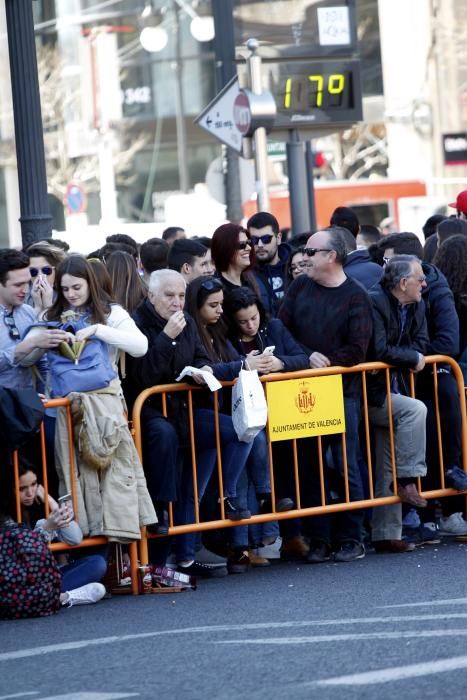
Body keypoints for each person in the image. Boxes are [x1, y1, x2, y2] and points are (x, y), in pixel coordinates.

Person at [124, 270, 254, 577]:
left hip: (184, 408)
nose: (176, 302)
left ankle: (226, 497)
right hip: (150, 412)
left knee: (238, 429)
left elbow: (198, 357)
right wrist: (166, 337)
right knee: (166, 442)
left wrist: (200, 371)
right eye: (169, 296)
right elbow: (142, 376)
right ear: (151, 296)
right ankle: (161, 531)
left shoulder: (189, 322)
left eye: (181, 296)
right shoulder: (137, 322)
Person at [26, 255, 157, 542]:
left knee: (114, 478)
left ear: (91, 283)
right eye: (65, 288)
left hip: (107, 408)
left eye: (77, 287)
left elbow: (140, 347)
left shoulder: (111, 312)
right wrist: (42, 338)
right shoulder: (50, 315)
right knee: (73, 478)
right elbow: (27, 356)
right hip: (63, 409)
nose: (71, 294)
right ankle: (84, 545)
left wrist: (98, 330)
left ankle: (118, 555)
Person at [279, 226, 373, 563]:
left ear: (331, 256)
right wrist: (306, 357)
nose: (303, 257)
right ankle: (318, 537)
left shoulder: (356, 295)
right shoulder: (301, 286)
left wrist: (328, 363)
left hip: (341, 390)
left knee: (344, 463)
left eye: (310, 252)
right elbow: (281, 328)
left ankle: (352, 537)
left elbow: (358, 349)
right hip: (302, 388)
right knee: (309, 465)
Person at [185, 276, 292, 572]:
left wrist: (266, 362)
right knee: (198, 486)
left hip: (222, 412)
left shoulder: (217, 330)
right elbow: (206, 368)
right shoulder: (192, 329)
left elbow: (299, 356)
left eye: (221, 304)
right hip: (195, 414)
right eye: (213, 305)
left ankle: (242, 536)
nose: (219, 310)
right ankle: (243, 505)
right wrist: (244, 364)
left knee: (247, 437)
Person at [367, 255, 429, 553]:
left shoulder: (417, 303)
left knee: (387, 455)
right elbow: (377, 348)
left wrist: (407, 356)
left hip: (393, 387)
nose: (424, 284)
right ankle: (407, 481)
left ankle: (386, 532)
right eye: (419, 278)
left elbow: (422, 344)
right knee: (415, 410)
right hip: (368, 393)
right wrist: (409, 358)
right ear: (403, 283)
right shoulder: (374, 302)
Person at [16, 463, 107, 607]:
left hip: (46, 577)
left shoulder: (39, 505)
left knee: (97, 563)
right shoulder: (6, 515)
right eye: (22, 488)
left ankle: (54, 597)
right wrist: (46, 528)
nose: (30, 493)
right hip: (19, 582)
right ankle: (64, 597)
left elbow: (75, 538)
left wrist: (51, 502)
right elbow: (21, 558)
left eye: (33, 484)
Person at [0, 249, 70, 390]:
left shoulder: (27, 311)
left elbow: (42, 364)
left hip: (28, 404)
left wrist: (46, 397)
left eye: (27, 283)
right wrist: (30, 343)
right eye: (18, 285)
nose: (26, 290)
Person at [211, 223, 269, 311]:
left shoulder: (252, 280)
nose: (249, 248)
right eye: (242, 245)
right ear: (226, 249)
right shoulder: (215, 289)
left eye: (249, 243)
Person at [247, 211, 291, 315]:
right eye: (254, 240)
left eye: (266, 239)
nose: (260, 245)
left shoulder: (295, 265)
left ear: (278, 238)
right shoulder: (245, 273)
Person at [24, 241, 67, 315]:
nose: (40, 276)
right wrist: (38, 307)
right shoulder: (22, 295)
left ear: (56, 270)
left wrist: (48, 306)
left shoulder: (67, 292)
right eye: (33, 271)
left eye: (46, 270)